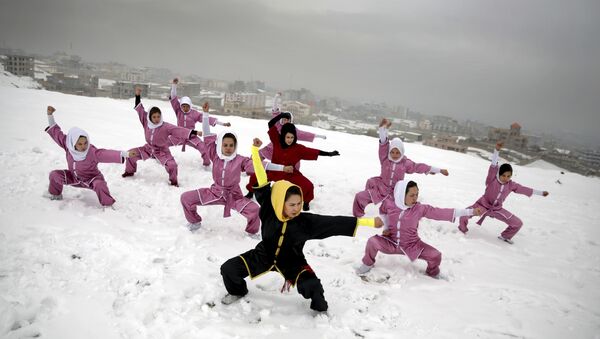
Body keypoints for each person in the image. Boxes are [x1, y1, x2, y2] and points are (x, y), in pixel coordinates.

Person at [219, 137, 383, 312]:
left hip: (292, 261)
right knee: (228, 269)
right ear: (280, 202)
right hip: (263, 255)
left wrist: (370, 222)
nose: (296, 208)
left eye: (299, 204)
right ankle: (238, 291)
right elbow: (261, 176)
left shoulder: (305, 222)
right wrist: (254, 151)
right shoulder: (269, 207)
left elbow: (335, 223)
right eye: (292, 205)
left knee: (313, 286)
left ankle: (320, 311)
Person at [356, 180, 481, 278]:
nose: (415, 198)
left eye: (417, 194)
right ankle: (367, 264)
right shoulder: (389, 203)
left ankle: (432, 273)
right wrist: (387, 227)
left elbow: (441, 212)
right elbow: (383, 211)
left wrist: (470, 211)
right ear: (401, 195)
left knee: (436, 255)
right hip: (391, 242)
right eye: (411, 195)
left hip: (412, 245)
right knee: (372, 242)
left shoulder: (419, 209)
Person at [180, 107, 259, 235]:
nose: (228, 148)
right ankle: (194, 222)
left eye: (231, 145)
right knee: (186, 198)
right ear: (220, 145)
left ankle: (252, 232)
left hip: (234, 196)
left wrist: (282, 168)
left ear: (235, 146)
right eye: (225, 145)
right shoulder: (215, 155)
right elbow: (207, 136)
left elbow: (257, 166)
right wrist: (205, 115)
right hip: (214, 193)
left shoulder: (241, 160)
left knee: (255, 209)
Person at [353, 118, 449, 217]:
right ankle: (358, 216)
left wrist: (438, 170)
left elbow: (419, 167)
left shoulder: (405, 163)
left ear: (402, 152)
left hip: (396, 193)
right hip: (381, 189)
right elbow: (383, 144)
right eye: (392, 152)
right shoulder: (385, 159)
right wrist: (382, 129)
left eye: (398, 152)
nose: (395, 155)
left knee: (392, 211)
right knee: (360, 196)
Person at [458, 142, 549, 244]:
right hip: (481, 206)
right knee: (464, 213)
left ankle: (505, 236)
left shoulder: (511, 185)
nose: (506, 178)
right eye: (504, 175)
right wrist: (497, 150)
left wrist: (540, 193)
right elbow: (493, 165)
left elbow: (524, 189)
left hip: (497, 209)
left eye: (508, 176)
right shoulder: (491, 179)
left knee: (517, 223)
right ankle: (462, 230)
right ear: (499, 174)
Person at [246, 112, 340, 211]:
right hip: (274, 171)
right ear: (283, 136)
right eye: (288, 137)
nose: (290, 140)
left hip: (289, 173)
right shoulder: (277, 141)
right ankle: (250, 192)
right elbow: (270, 124)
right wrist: (281, 116)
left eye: (292, 137)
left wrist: (329, 154)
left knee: (308, 185)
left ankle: (306, 202)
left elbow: (313, 151)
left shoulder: (298, 148)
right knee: (255, 176)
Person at [45, 106, 135, 207]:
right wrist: (50, 115)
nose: (83, 146)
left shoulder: (92, 152)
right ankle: (55, 195)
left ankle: (108, 204)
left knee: (100, 185)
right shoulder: (68, 146)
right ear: (72, 143)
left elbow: (107, 154)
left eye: (85, 143)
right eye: (80, 144)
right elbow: (57, 133)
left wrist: (125, 154)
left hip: (91, 179)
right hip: (73, 177)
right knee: (54, 175)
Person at [245, 93, 326, 198]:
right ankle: (251, 176)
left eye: (288, 119)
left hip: (286, 155)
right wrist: (276, 97)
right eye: (284, 119)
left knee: (293, 167)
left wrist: (319, 136)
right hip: (271, 149)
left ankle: (294, 187)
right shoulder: (278, 125)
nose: (285, 121)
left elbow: (307, 135)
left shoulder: (294, 131)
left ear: (291, 121)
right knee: (257, 157)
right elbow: (275, 111)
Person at [122, 87, 200, 186]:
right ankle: (129, 171)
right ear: (150, 117)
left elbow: (179, 130)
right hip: (148, 148)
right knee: (130, 154)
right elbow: (140, 109)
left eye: (158, 116)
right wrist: (137, 95)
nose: (156, 119)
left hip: (162, 151)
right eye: (154, 117)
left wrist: (195, 132)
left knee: (172, 165)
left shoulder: (165, 126)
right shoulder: (146, 122)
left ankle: (173, 182)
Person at [169, 78, 230, 167]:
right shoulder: (178, 111)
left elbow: (207, 119)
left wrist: (222, 123)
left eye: (187, 106)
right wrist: (174, 85)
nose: (185, 108)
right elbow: (174, 98)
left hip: (191, 136)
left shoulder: (194, 113)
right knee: (161, 142)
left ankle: (206, 164)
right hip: (178, 136)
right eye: (183, 106)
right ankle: (155, 155)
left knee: (203, 148)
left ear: (190, 105)